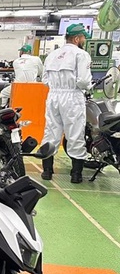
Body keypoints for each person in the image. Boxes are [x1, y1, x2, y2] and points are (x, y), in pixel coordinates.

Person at [40, 23, 92, 183]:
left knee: (51, 131)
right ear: (76, 39)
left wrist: (57, 87)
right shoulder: (81, 54)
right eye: (83, 38)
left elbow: (44, 80)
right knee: (75, 133)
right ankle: (76, 174)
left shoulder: (52, 55)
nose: (84, 41)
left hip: (53, 96)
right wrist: (88, 87)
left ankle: (47, 171)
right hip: (72, 97)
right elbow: (83, 81)